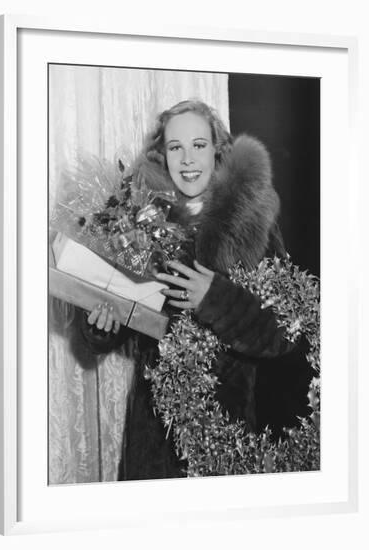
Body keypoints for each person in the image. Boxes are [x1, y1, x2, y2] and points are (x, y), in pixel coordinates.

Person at [79, 99, 313, 480]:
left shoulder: (252, 224)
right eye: (176, 147)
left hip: (225, 439)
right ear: (162, 153)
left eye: (198, 145)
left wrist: (216, 299)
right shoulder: (138, 219)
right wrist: (102, 325)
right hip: (151, 439)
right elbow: (128, 312)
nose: (188, 159)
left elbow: (285, 334)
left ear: (218, 149)